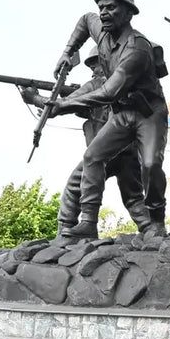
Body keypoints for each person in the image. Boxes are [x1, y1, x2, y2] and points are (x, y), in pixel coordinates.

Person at [50, 0, 169, 239]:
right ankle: (88, 223)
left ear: (128, 13)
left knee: (150, 164)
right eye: (101, 7)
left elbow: (108, 93)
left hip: (148, 113)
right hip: (122, 113)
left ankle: (157, 220)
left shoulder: (137, 48)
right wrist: (67, 53)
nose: (103, 12)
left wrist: (63, 106)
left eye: (111, 7)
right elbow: (84, 20)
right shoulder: (101, 33)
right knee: (92, 157)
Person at [20, 47, 151, 239]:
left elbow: (59, 104)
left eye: (95, 64)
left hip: (104, 153)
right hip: (130, 151)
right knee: (133, 197)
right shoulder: (127, 82)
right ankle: (149, 228)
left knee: (75, 186)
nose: (93, 70)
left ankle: (66, 232)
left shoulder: (98, 84)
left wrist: (34, 98)